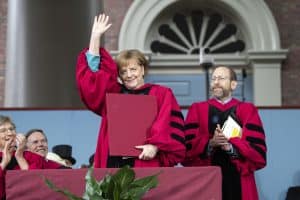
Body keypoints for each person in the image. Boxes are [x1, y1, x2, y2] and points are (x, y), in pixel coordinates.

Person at [76, 13, 185, 168]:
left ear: (142, 69)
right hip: (113, 162)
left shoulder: (161, 94)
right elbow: (92, 80)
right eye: (123, 71)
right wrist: (95, 38)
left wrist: (155, 146)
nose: (129, 75)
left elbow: (166, 124)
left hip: (144, 160)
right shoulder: (113, 94)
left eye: (133, 69)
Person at [182, 65, 267, 200]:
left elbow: (257, 152)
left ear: (233, 84)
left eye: (221, 78)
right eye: (213, 78)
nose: (216, 82)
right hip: (206, 179)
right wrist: (211, 143)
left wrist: (230, 147)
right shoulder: (197, 109)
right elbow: (187, 149)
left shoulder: (247, 110)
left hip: (239, 179)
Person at [0, 115, 44, 199]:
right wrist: (3, 163)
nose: (10, 133)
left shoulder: (32, 157)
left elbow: (36, 187)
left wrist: (20, 157)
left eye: (11, 129)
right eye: (3, 131)